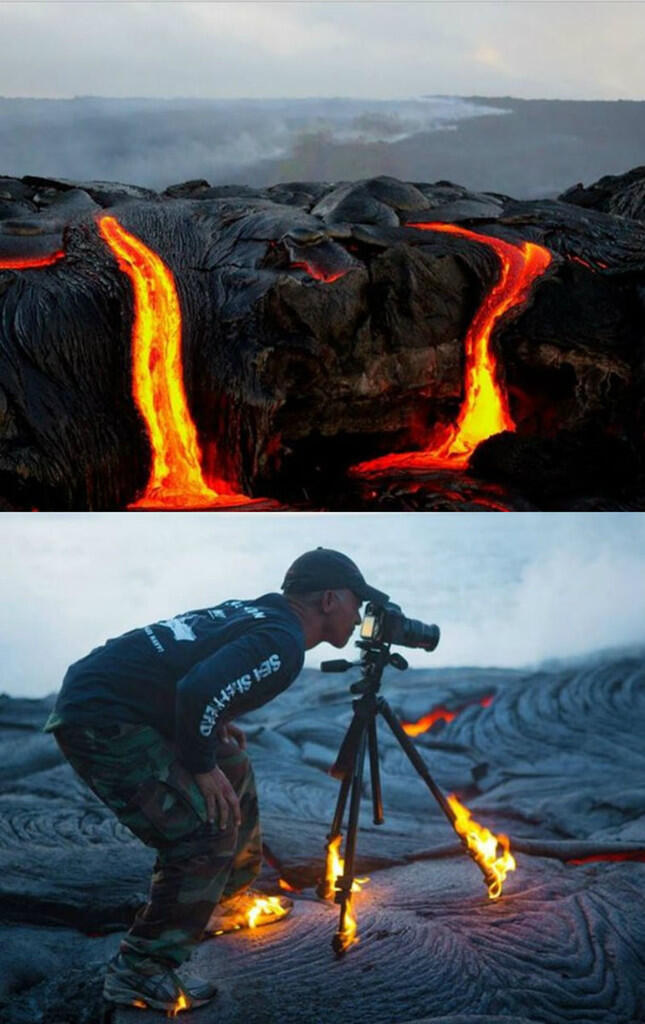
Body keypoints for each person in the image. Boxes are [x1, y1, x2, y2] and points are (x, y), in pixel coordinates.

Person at [44, 547, 387, 1013]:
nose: (360, 612)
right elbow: (196, 688)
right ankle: (140, 970)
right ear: (329, 599)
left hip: (114, 695)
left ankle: (221, 899)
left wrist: (211, 724)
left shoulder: (262, 611)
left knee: (233, 763)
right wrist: (200, 765)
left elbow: (196, 669)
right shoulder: (283, 641)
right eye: (356, 600)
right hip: (101, 717)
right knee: (204, 831)